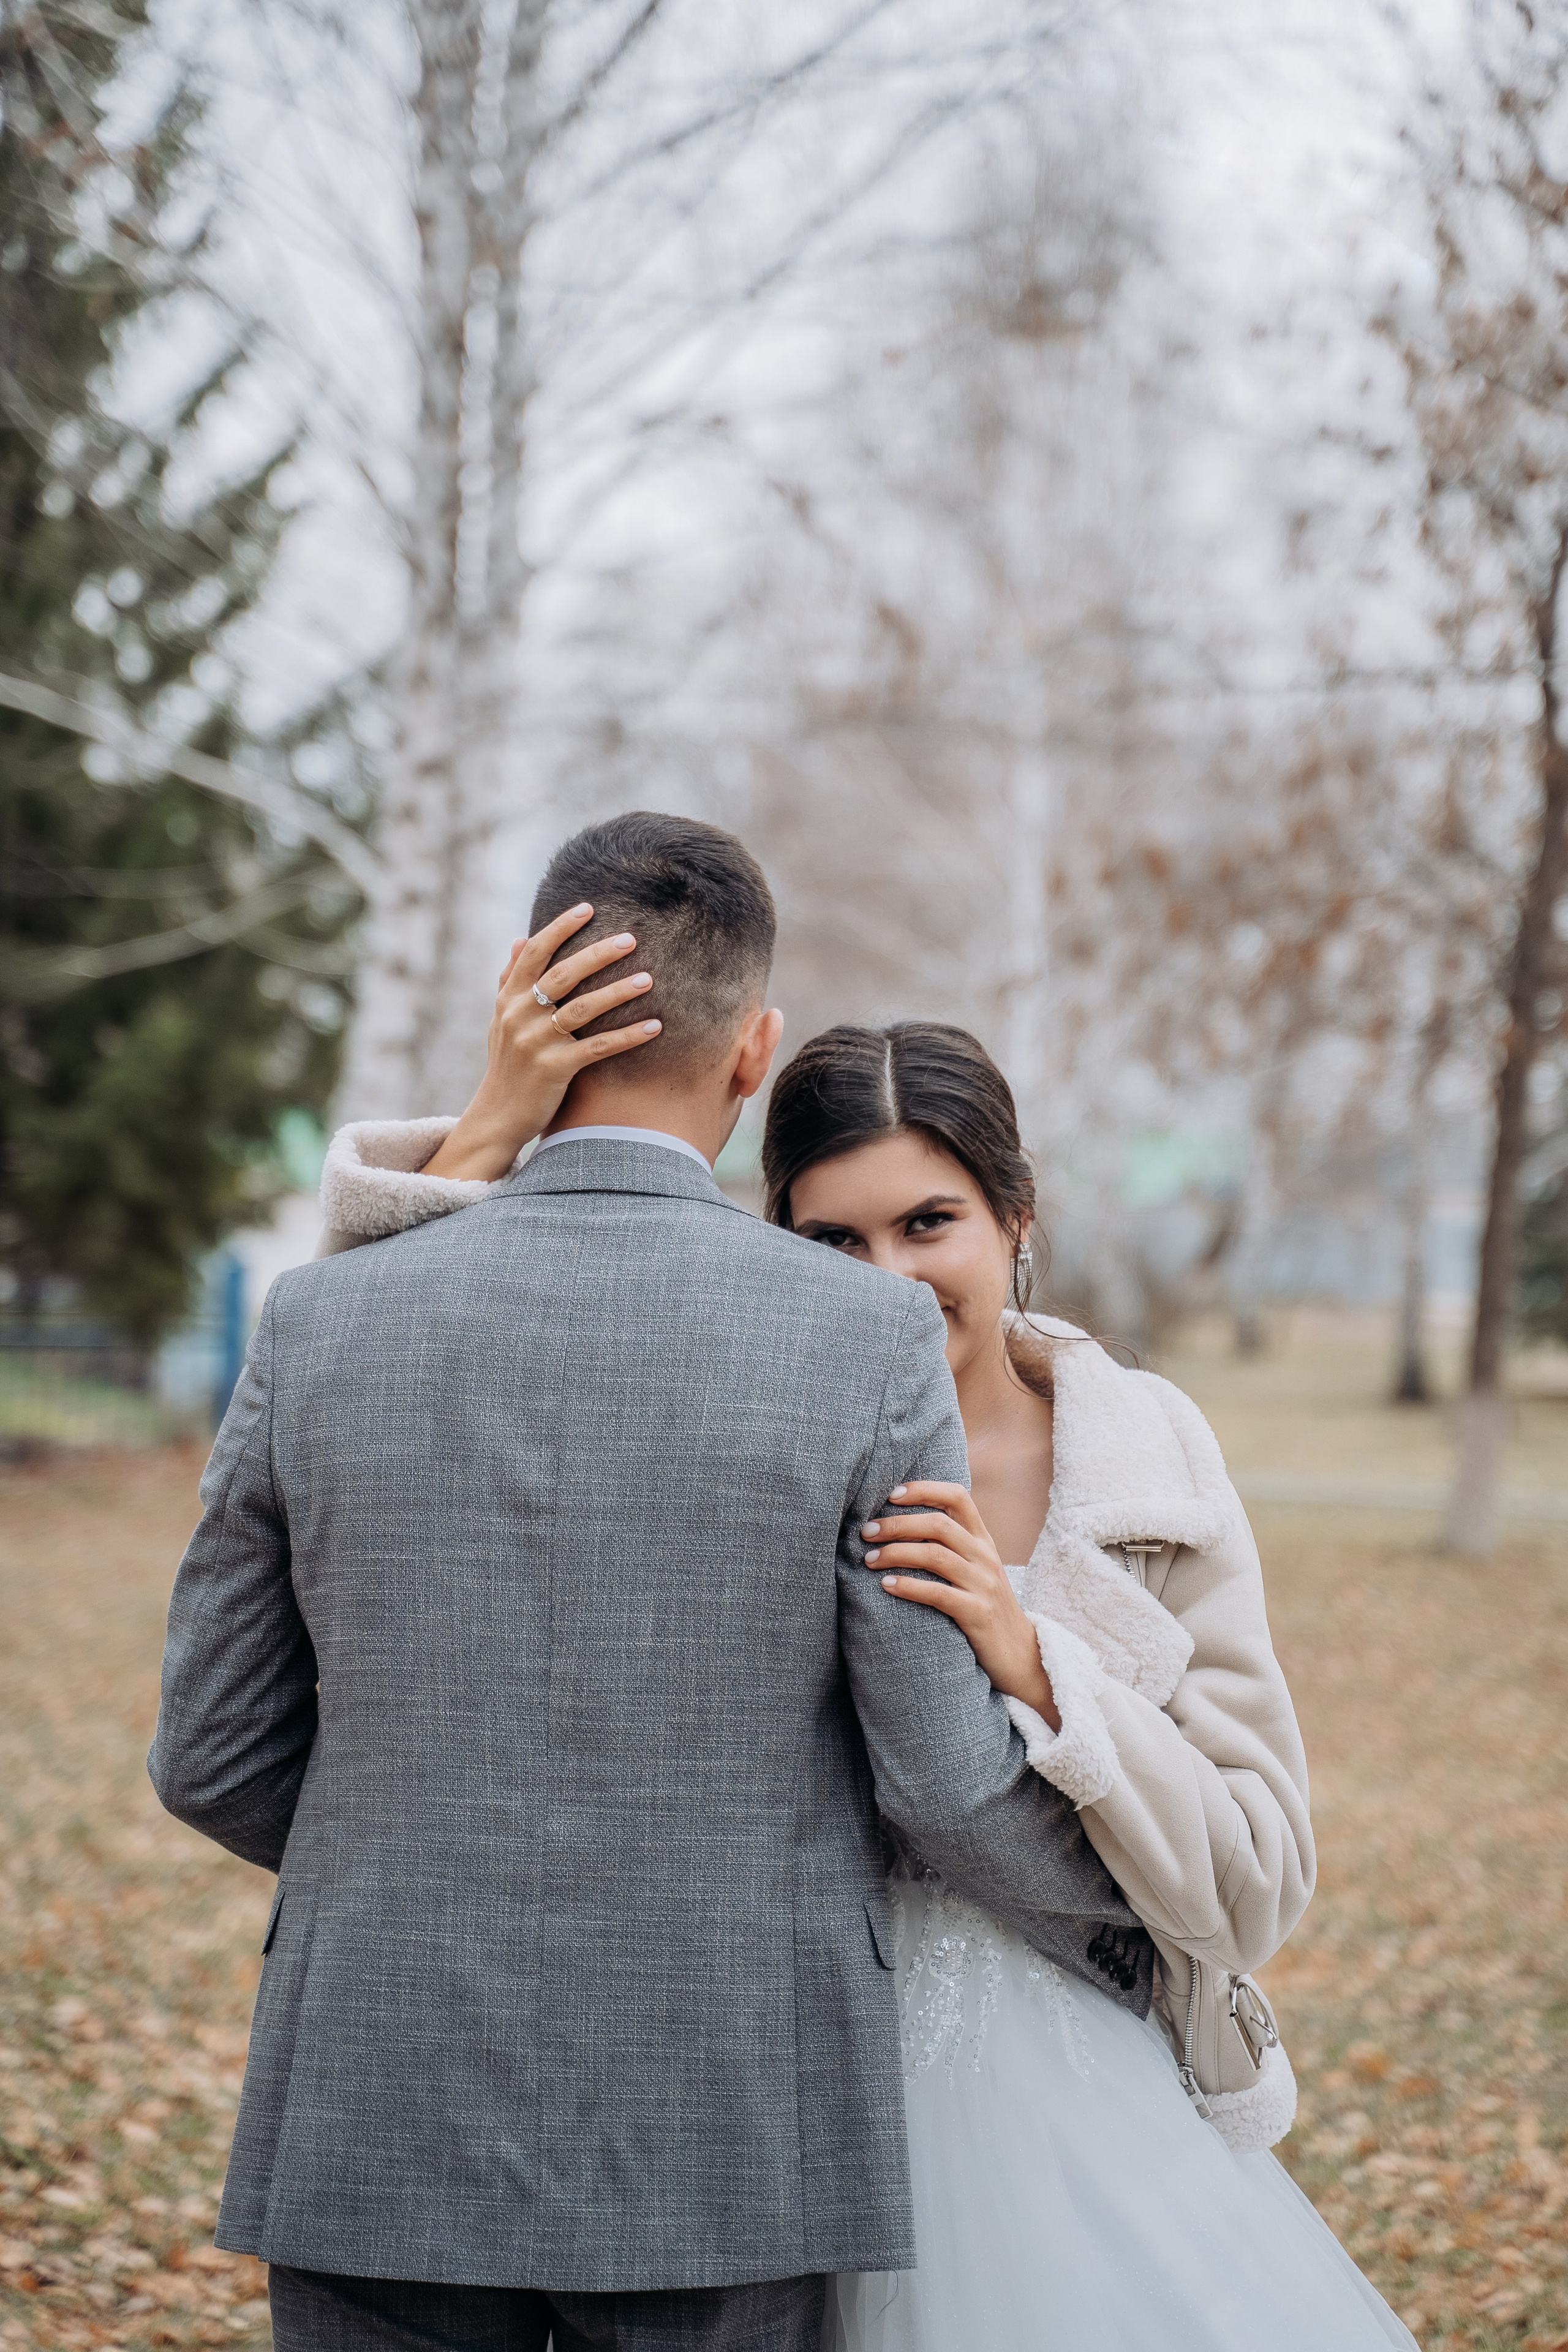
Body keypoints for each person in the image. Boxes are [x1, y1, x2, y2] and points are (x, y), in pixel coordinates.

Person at [328, 869, 1423, 2352]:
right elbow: (401, 1392)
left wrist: (1042, 1666)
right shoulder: (719, 1400)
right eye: (831, 1240)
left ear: (1013, 1218)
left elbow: (1253, 1878)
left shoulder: (1142, 1465)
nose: (890, 1282)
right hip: (731, 2085)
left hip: (1049, 2085)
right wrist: (489, 1133)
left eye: (929, 1223)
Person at [148, 812, 1153, 2352]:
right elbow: (938, 1781)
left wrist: (415, 1869)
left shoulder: (318, 1323)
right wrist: (1123, 1928)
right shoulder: (858, 1342)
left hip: (374, 2092)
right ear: (752, 1056)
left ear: (528, 1002)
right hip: (730, 2118)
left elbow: (210, 1750)